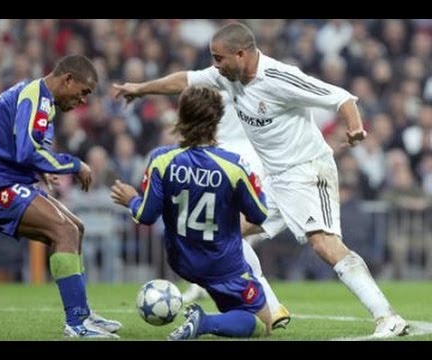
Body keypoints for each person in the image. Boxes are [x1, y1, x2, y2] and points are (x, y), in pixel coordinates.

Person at [113, 22, 409, 338]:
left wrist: (354, 128)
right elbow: (185, 80)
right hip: (276, 178)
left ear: (241, 54)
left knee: (323, 243)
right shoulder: (228, 76)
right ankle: (271, 306)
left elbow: (341, 98)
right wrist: (140, 88)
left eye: (219, 58)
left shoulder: (280, 77)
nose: (215, 65)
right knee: (229, 232)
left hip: (308, 172)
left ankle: (387, 317)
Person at [0, 54, 122, 338]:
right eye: (83, 92)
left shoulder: (41, 99)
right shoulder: (36, 97)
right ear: (68, 79)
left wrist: (42, 171)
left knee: (76, 228)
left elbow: (25, 148)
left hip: (3, 180)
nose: (83, 100)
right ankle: (76, 323)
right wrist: (75, 164)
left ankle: (82, 312)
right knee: (64, 231)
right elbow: (26, 151)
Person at [111, 85, 273, 340]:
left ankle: (216, 316)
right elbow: (260, 214)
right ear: (218, 119)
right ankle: (204, 322)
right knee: (263, 325)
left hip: (182, 261)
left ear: (181, 117)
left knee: (233, 310)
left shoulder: (161, 159)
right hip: (223, 265)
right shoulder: (234, 165)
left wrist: (131, 200)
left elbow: (146, 215)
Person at [180, 90, 290, 332]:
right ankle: (264, 302)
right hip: (244, 157)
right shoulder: (250, 86)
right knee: (232, 233)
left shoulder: (219, 88)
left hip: (226, 155)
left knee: (226, 233)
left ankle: (257, 299)